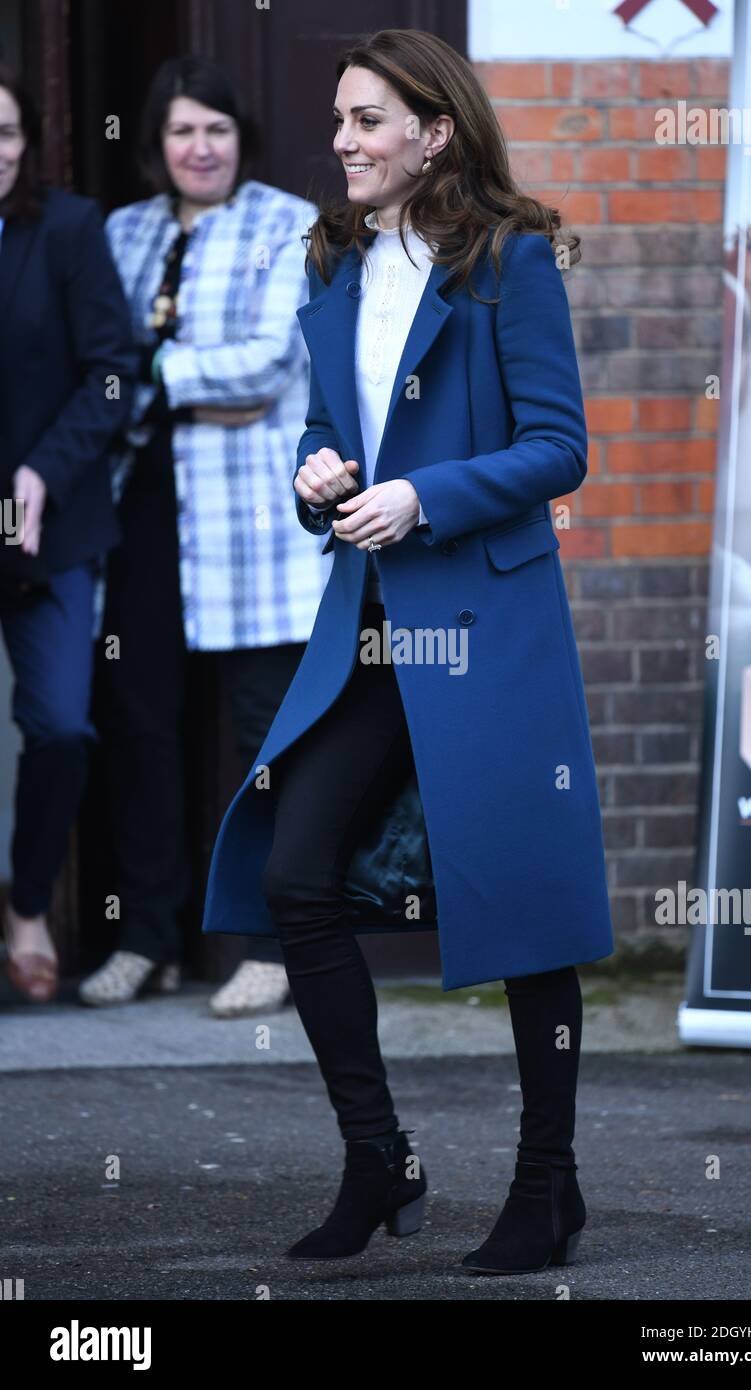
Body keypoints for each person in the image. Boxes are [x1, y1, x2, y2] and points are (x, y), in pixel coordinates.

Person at [201, 28, 614, 1274]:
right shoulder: (331, 267)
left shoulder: (508, 259)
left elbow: (559, 448)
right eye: (337, 120)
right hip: (372, 622)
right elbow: (327, 447)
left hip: (486, 621)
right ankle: (379, 1158)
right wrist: (318, 480)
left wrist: (424, 495)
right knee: (296, 878)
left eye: (367, 121)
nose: (341, 141)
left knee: (526, 904)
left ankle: (549, 1188)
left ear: (433, 131)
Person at [79, 57, 330, 1010]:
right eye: (183, 131)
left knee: (265, 731)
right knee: (141, 726)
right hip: (140, 510)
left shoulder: (284, 224)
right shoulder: (122, 232)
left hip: (250, 519)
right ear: (157, 144)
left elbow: (267, 365)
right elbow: (98, 365)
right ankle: (150, 935)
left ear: (240, 140)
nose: (200, 148)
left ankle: (275, 945)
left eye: (216, 130)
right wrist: (166, 376)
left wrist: (151, 371)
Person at [0, 66, 136, 1003]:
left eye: (7, 135)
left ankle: (27, 903)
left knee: (60, 725)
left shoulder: (68, 230)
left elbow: (113, 373)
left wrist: (41, 471)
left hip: (45, 525)